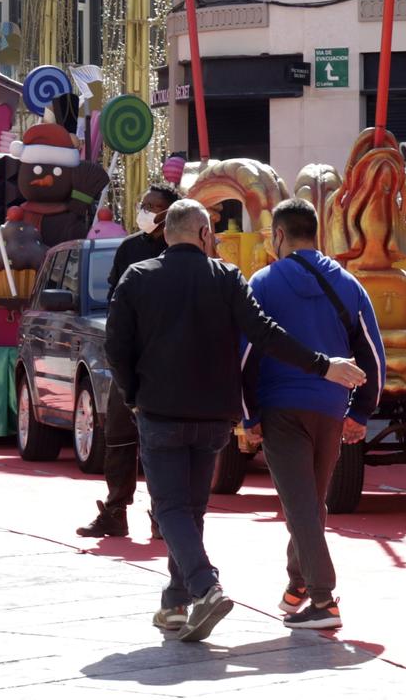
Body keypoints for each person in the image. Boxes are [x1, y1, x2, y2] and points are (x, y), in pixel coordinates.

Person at [105, 198, 368, 643]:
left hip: (159, 410)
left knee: (170, 507)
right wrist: (324, 365)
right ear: (206, 235)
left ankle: (204, 587)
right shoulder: (226, 277)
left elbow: (116, 346)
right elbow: (264, 334)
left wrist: (133, 395)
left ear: (166, 235)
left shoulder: (138, 277)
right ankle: (175, 601)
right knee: (190, 509)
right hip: (213, 416)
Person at [240, 199, 384, 632]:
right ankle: (298, 585)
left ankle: (323, 599)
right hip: (331, 408)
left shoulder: (262, 282)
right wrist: (362, 410)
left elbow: (245, 355)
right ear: (316, 233)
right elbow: (373, 356)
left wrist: (248, 417)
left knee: (301, 505)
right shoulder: (349, 284)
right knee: (309, 503)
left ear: (279, 235)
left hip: (281, 407)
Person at [76, 180, 180, 540]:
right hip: (127, 358)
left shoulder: (181, 250)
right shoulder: (129, 248)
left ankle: (162, 517)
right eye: (143, 204)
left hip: (165, 363)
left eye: (153, 206)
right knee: (118, 435)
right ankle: (116, 511)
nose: (145, 211)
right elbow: (116, 300)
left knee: (160, 441)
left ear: (169, 213)